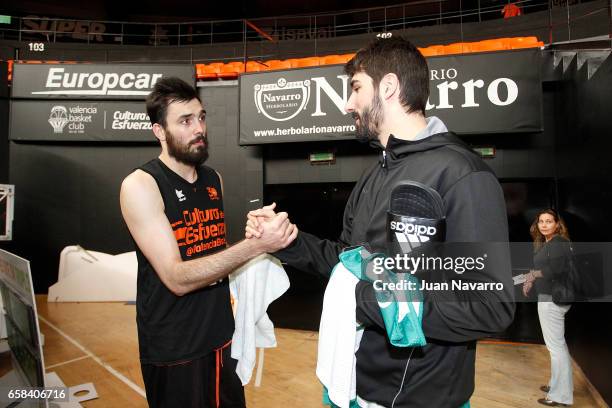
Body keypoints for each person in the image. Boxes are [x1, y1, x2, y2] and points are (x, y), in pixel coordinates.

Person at [246, 37, 515, 407]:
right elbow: (347, 264)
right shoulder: (373, 176)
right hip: (357, 387)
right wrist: (287, 243)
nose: (347, 104)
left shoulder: (461, 173)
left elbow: (489, 307)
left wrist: (365, 301)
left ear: (388, 87)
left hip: (424, 398)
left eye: (356, 88)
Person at [119, 77, 297, 408]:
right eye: (185, 121)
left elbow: (214, 255)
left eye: (201, 117)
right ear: (159, 130)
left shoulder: (214, 179)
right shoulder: (141, 185)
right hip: (175, 348)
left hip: (222, 336)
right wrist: (257, 246)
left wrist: (253, 234)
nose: (198, 128)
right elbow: (176, 277)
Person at [523, 209, 574, 407]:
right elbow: (548, 268)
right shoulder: (550, 243)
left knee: (556, 348)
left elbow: (557, 270)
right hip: (548, 297)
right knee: (556, 346)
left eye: (549, 221)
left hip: (552, 299)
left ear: (557, 224)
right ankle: (556, 385)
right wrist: (531, 276)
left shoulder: (559, 242)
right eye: (541, 221)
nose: (544, 225)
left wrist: (534, 275)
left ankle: (561, 396)